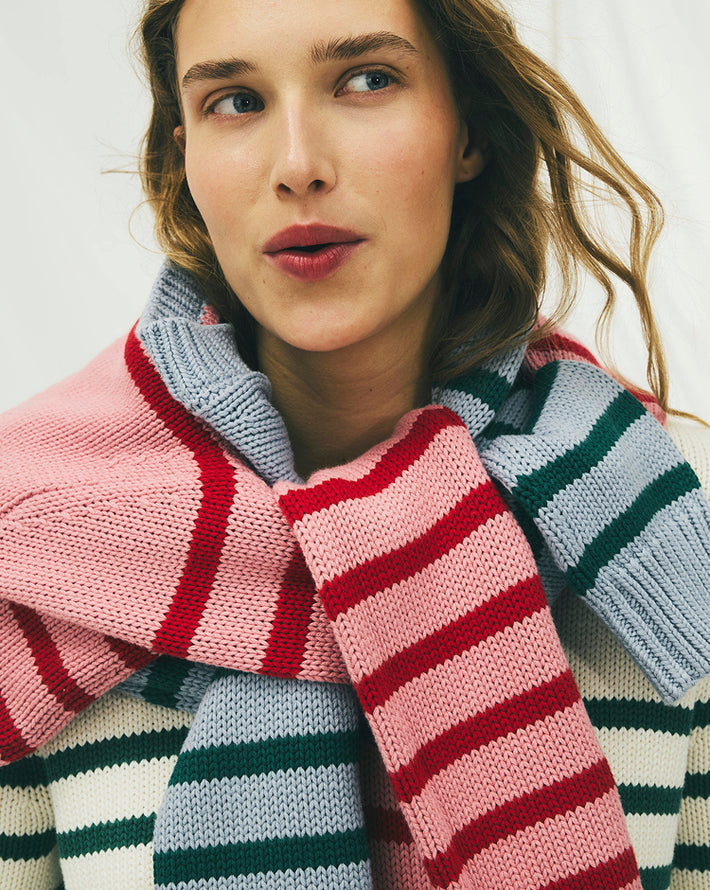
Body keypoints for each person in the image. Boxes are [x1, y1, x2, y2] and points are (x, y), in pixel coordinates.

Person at [1, 0, 709, 888]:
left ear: (468, 131)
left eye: (367, 80)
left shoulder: (655, 514)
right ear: (186, 154)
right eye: (234, 100)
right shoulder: (32, 548)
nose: (298, 166)